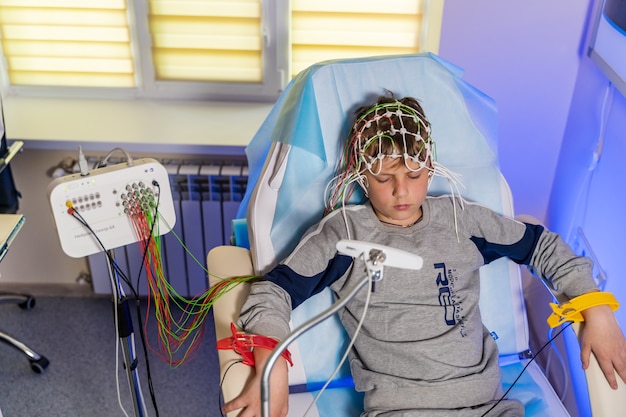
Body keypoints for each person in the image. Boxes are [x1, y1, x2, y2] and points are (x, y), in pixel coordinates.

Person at [222, 94, 626, 417]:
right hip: (404, 409)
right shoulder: (346, 233)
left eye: (414, 175)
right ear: (361, 176)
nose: (402, 192)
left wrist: (596, 309)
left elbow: (542, 245)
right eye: (384, 178)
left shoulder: (458, 219)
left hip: (488, 404)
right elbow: (273, 293)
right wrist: (270, 364)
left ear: (430, 169)